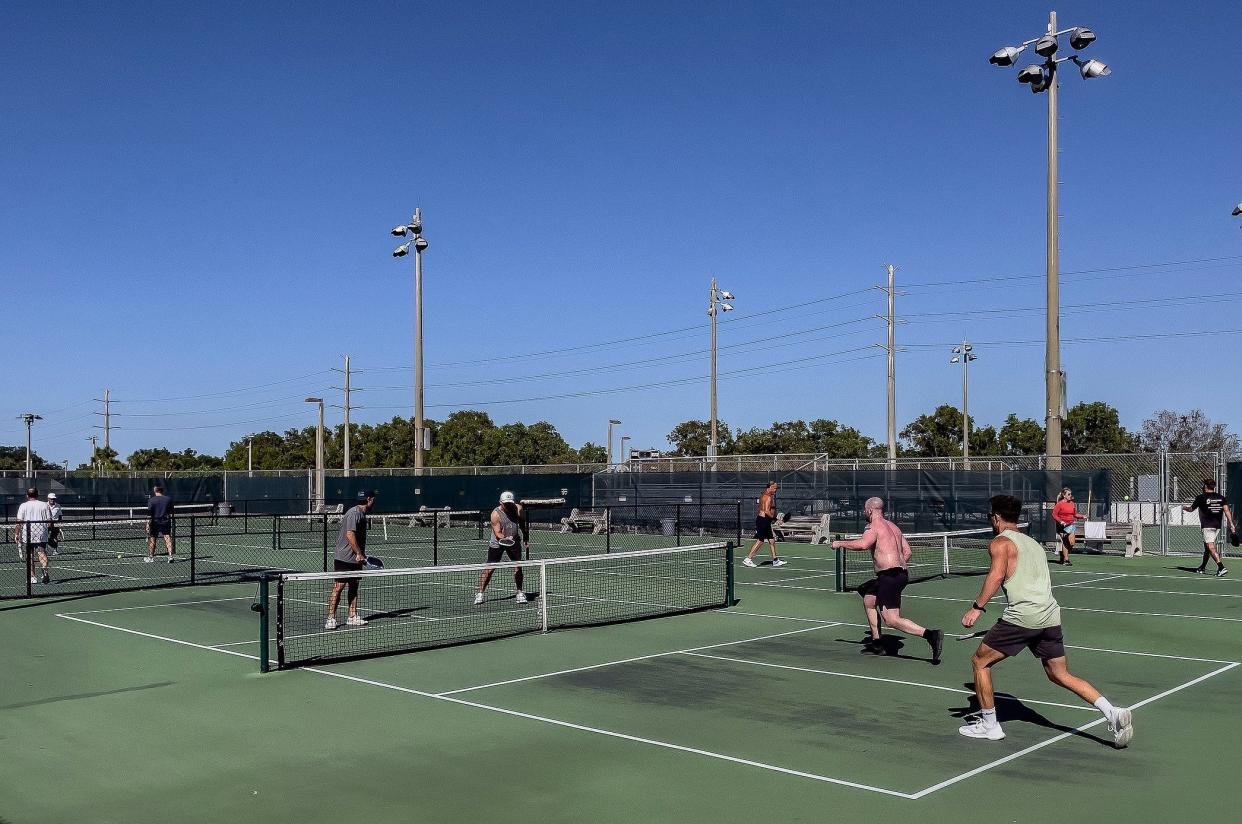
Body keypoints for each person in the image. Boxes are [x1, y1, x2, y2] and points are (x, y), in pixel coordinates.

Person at [959, 494, 1133, 747]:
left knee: (980, 663)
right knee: (1058, 673)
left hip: (1023, 617)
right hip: (1049, 615)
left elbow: (996, 576)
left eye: (990, 517)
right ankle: (1112, 712)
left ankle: (990, 725)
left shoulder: (1000, 543)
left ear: (996, 518)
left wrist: (977, 608)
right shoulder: (1033, 543)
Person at [830, 497, 943, 663]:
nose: (864, 513)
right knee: (869, 598)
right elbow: (908, 552)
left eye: (864, 510)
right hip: (899, 575)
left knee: (891, 620)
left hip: (890, 576)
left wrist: (839, 543)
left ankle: (930, 635)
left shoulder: (872, 526)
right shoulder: (894, 527)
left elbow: (863, 544)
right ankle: (877, 643)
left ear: (869, 510)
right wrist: (897, 566)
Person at [326, 490, 376, 629]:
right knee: (339, 587)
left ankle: (352, 616)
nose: (374, 502)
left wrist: (360, 555)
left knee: (354, 585)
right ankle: (331, 618)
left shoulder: (361, 514)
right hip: (344, 557)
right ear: (369, 499)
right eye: (373, 499)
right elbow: (349, 535)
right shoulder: (354, 513)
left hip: (355, 558)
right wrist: (359, 553)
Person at [476, 491, 529, 604]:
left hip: (514, 541)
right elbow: (497, 533)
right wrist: (505, 538)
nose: (508, 505)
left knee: (518, 566)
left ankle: (519, 593)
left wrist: (525, 537)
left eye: (510, 503)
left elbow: (522, 524)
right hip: (497, 543)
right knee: (490, 568)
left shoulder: (518, 509)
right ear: (501, 502)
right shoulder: (495, 514)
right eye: (506, 503)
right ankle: (480, 593)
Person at [1184, 479, 1235, 577]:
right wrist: (1231, 524)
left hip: (1207, 525)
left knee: (1210, 546)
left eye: (1203, 485)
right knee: (1207, 548)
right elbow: (1227, 510)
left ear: (1206, 486)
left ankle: (1221, 567)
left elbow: (1191, 509)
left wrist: (1184, 508)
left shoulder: (1200, 497)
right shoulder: (1221, 497)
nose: (1202, 486)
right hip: (1217, 526)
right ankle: (1202, 567)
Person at [743, 481, 787, 568]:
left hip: (765, 521)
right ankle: (748, 559)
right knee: (761, 540)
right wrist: (775, 519)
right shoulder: (767, 497)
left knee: (771, 540)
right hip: (762, 521)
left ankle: (775, 560)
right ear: (770, 487)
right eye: (774, 488)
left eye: (776, 488)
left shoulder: (766, 496)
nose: (776, 490)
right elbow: (766, 511)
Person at [15, 488, 52, 585]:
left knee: (29, 555)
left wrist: (16, 534)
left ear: (27, 495)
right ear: (37, 495)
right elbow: (49, 521)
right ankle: (45, 572)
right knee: (42, 552)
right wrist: (49, 532)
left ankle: (33, 577)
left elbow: (19, 522)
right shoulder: (44, 505)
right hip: (41, 533)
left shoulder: (23, 505)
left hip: (28, 533)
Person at [1051, 487, 1082, 566]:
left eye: (1071, 494)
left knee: (1071, 543)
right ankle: (1066, 560)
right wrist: (1061, 522)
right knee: (1065, 542)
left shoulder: (1071, 503)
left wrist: (1082, 516)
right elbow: (1054, 515)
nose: (1070, 495)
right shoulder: (1059, 504)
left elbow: (1075, 514)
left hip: (1070, 525)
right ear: (1064, 495)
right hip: (1062, 526)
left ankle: (1063, 554)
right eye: (1068, 494)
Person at [146, 485, 175, 563]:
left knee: (152, 538)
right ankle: (170, 556)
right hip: (166, 521)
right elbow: (172, 512)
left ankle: (151, 557)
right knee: (167, 537)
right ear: (162, 491)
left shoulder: (151, 500)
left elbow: (149, 514)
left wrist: (147, 524)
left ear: (155, 490)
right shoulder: (169, 499)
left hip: (155, 522)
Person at [46, 492, 62, 556]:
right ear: (48, 499)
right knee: (45, 537)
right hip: (46, 524)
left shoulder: (58, 506)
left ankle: (55, 550)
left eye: (53, 499)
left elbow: (60, 516)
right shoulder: (44, 505)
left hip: (55, 524)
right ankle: (45, 550)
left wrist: (60, 524)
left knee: (55, 537)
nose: (52, 500)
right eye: (51, 499)